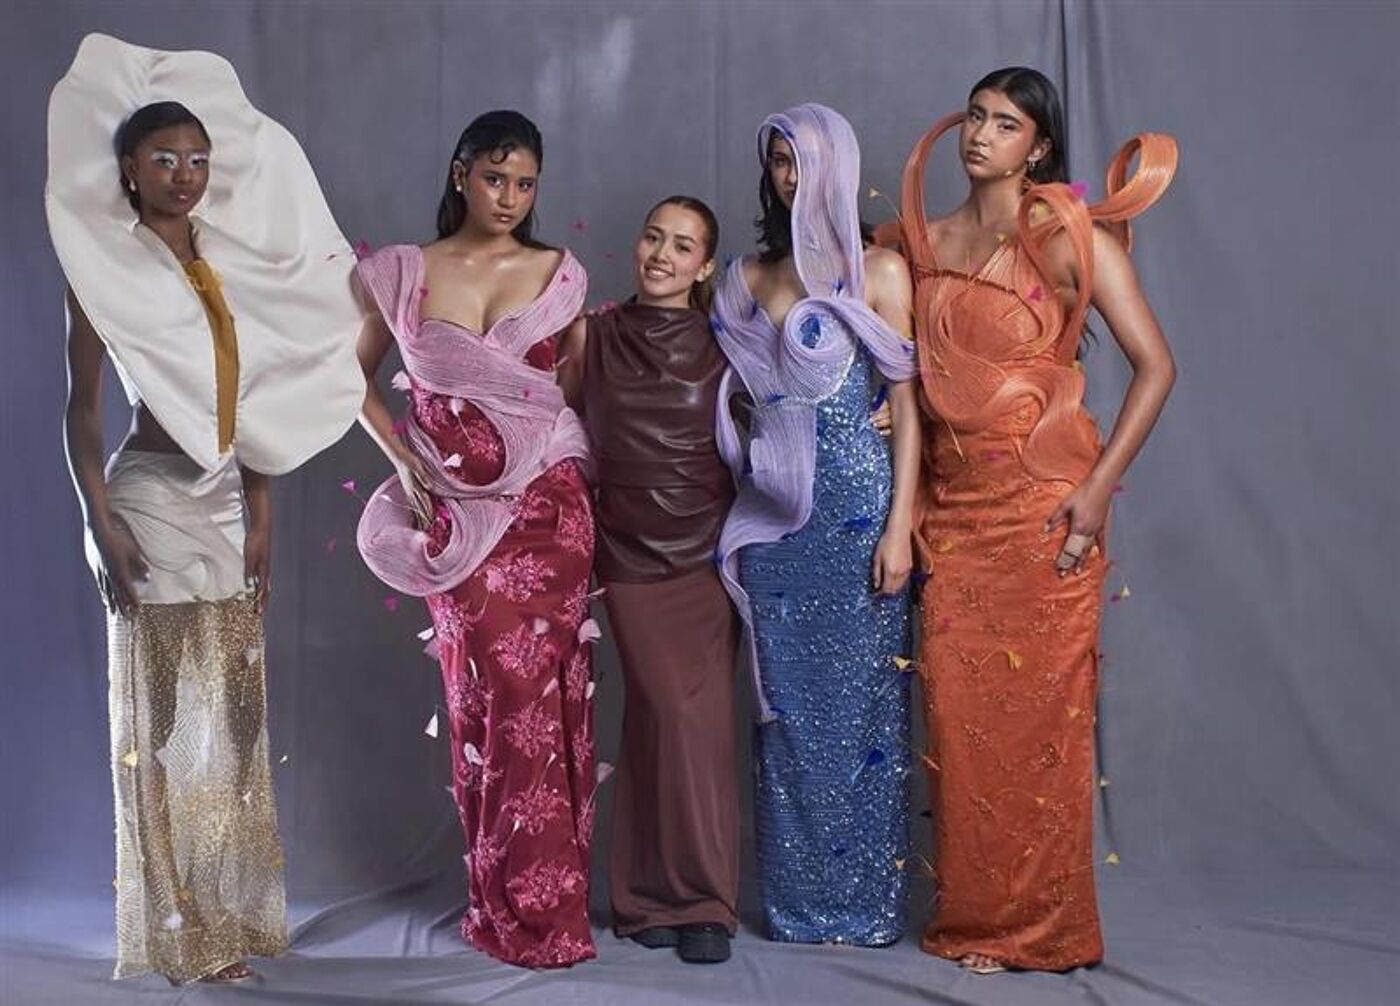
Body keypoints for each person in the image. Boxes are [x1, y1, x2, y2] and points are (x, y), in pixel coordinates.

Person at [48, 34, 363, 984]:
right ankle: (176, 930)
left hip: (230, 502)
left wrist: (263, 512)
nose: (184, 176)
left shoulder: (235, 262)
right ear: (128, 174)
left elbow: (257, 400)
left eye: (196, 160)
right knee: (161, 712)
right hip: (147, 496)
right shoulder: (102, 269)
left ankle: (229, 916)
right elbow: (83, 407)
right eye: (162, 161)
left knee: (230, 719)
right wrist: (97, 521)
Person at [895, 66, 1177, 973]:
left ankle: (1038, 933)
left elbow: (1156, 366)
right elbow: (909, 370)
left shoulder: (1063, 237)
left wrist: (1095, 491)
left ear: (1039, 146)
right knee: (961, 726)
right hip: (954, 519)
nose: (981, 135)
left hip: (1042, 516)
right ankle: (978, 920)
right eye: (974, 116)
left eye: (1006, 124)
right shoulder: (924, 239)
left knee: (1038, 731)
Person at [353, 110, 597, 969]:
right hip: (458, 520)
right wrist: (409, 465)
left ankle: (550, 912)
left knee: (544, 704)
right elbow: (351, 383)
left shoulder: (560, 274)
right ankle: (499, 902)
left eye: (525, 182)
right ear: (461, 174)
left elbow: (563, 394)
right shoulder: (401, 273)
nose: (509, 196)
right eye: (494, 177)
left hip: (552, 513)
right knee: (485, 703)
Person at [711, 103, 921, 945]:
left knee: (867, 710)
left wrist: (901, 524)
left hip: (860, 513)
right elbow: (720, 389)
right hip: (773, 522)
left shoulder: (882, 272)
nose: (788, 179)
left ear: (837, 167)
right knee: (785, 718)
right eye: (777, 163)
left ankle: (864, 910)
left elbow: (907, 407)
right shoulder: (745, 277)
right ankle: (797, 909)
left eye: (801, 162)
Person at [559, 196, 739, 963]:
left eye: (683, 245)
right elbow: (554, 428)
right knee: (657, 716)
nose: (662, 254)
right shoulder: (591, 334)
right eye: (654, 237)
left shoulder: (731, 344)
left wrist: (885, 416)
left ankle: (702, 900)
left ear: (705, 267)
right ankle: (645, 897)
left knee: (696, 726)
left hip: (706, 554)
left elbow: (786, 421)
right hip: (626, 554)